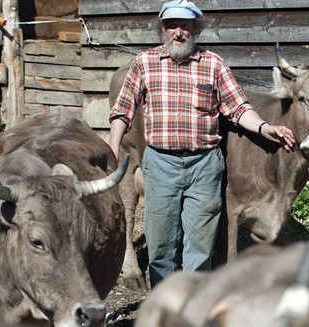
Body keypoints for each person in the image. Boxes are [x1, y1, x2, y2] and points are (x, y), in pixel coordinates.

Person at [109, 0, 295, 288]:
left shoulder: (214, 64)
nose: (178, 32)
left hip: (204, 166)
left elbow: (238, 108)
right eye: (172, 25)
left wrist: (264, 127)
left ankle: (192, 307)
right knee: (160, 247)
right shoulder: (143, 64)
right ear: (163, 28)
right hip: (160, 164)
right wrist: (112, 148)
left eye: (185, 25)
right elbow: (122, 110)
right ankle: (165, 302)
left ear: (196, 28)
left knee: (200, 247)